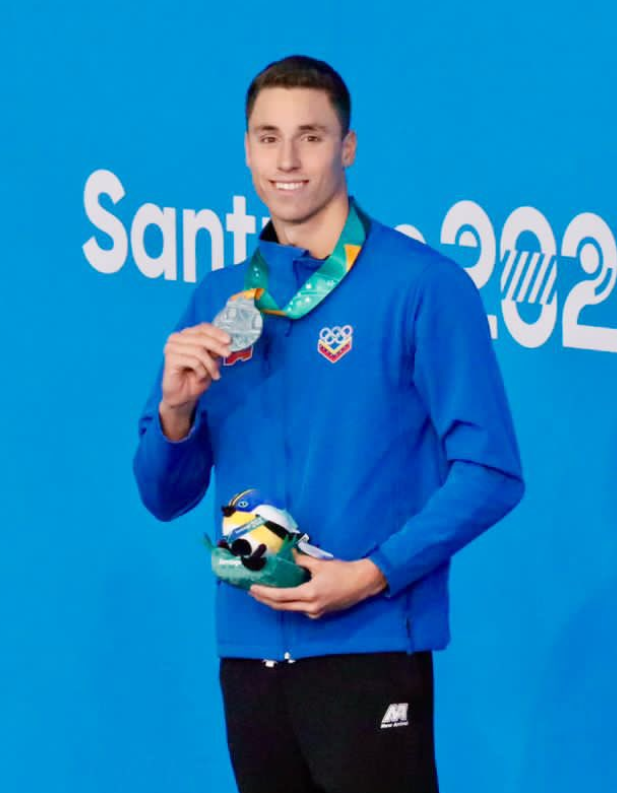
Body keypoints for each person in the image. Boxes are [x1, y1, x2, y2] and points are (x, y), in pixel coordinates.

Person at [133, 55, 523, 793]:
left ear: (346, 147)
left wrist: (370, 575)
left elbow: (492, 470)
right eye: (267, 137)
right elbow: (162, 495)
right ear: (245, 148)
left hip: (367, 645)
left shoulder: (421, 286)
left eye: (309, 136)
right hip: (248, 654)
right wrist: (175, 411)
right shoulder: (219, 298)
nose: (286, 159)